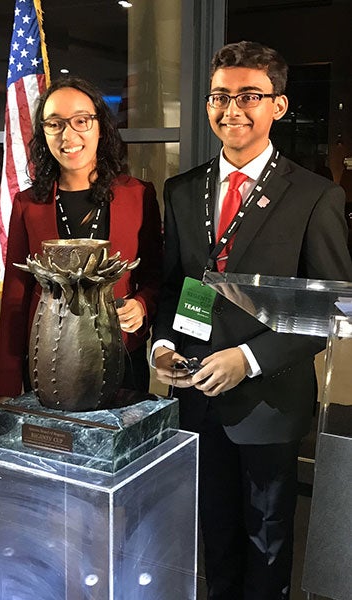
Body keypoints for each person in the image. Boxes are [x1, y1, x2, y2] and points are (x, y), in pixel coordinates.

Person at [152, 41, 352, 600]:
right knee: (214, 531)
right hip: (197, 392)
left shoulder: (315, 197)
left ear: (278, 107)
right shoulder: (183, 189)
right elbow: (185, 285)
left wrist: (247, 359)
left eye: (249, 96)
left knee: (267, 538)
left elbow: (328, 307)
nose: (232, 109)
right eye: (220, 96)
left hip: (270, 400)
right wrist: (166, 346)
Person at [0, 76, 162, 401]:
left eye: (81, 121)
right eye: (55, 124)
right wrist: (7, 384)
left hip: (121, 356)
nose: (68, 135)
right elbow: (16, 295)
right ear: (43, 133)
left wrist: (142, 306)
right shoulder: (28, 205)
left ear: (101, 126)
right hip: (48, 358)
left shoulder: (138, 195)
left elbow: (155, 276)